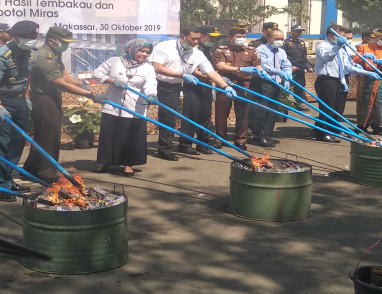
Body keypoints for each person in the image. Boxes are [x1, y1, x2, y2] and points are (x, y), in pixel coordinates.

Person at [25, 27, 102, 182]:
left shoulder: (54, 53)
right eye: (64, 42)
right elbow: (61, 83)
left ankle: (32, 167)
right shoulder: (43, 56)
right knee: (49, 136)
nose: (66, 46)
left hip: (51, 96)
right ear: (52, 40)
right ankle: (46, 171)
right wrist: (90, 94)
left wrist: (81, 85)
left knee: (44, 135)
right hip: (43, 98)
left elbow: (65, 75)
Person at [148, 26, 237, 161]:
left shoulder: (196, 53)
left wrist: (225, 86)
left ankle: (164, 149)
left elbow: (210, 72)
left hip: (174, 84)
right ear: (182, 36)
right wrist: (182, 75)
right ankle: (146, 147)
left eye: (197, 39)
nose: (195, 42)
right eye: (192, 39)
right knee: (151, 115)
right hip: (154, 82)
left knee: (170, 116)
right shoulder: (164, 47)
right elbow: (157, 67)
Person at [0, 21, 38, 202]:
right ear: (15, 38)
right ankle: (0, 184)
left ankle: (8, 177)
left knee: (17, 141)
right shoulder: (1, 55)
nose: (33, 40)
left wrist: (27, 96)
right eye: (29, 38)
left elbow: (26, 77)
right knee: (0, 144)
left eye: (34, 37)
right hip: (1, 102)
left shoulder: (30, 52)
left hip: (20, 100)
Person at [93, 39, 157, 176]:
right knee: (109, 135)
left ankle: (128, 164)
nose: (145, 54)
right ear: (132, 49)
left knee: (131, 137)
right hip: (112, 105)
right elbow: (97, 74)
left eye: (147, 52)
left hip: (134, 108)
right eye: (142, 51)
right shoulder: (114, 61)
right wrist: (112, 81)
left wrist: (151, 95)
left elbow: (150, 84)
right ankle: (105, 162)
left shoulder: (148, 68)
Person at [314, 25, 379, 143]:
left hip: (340, 80)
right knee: (328, 108)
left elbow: (347, 67)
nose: (345, 39)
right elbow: (328, 57)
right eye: (341, 36)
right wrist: (338, 45)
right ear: (330, 35)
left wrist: (366, 72)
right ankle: (322, 132)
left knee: (338, 109)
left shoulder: (342, 49)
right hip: (327, 80)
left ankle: (334, 129)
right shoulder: (323, 46)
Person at [214, 27, 263, 150]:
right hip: (225, 84)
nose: (241, 39)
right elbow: (220, 66)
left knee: (243, 113)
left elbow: (257, 64)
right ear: (230, 37)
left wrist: (261, 72)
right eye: (238, 36)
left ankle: (240, 140)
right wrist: (239, 69)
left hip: (244, 84)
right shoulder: (221, 50)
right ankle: (220, 139)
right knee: (221, 112)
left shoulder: (251, 50)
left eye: (243, 36)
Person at [177, 25, 222, 155]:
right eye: (210, 37)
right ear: (202, 36)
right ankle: (185, 144)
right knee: (191, 114)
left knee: (205, 115)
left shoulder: (210, 49)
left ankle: (203, 142)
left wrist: (216, 78)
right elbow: (194, 69)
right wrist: (213, 76)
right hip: (193, 84)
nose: (213, 40)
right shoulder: (194, 49)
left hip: (206, 84)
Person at [249, 28, 292, 147]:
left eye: (281, 39)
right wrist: (279, 72)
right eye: (276, 39)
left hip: (276, 83)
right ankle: (258, 136)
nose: (280, 41)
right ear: (268, 39)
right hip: (263, 83)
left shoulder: (281, 51)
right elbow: (264, 65)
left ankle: (267, 134)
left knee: (272, 110)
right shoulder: (260, 50)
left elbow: (287, 64)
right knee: (261, 110)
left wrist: (287, 74)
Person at [354, 28, 382, 135]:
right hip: (367, 75)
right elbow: (355, 60)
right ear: (376, 38)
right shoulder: (364, 47)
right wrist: (362, 57)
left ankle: (377, 127)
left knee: (381, 102)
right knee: (364, 100)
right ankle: (361, 126)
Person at [284, 25, 311, 111]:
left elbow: (304, 57)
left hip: (301, 68)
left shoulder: (302, 43)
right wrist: (290, 66)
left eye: (300, 31)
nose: (299, 33)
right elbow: (284, 57)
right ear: (291, 31)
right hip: (291, 68)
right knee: (288, 86)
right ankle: (285, 104)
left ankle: (297, 104)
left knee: (300, 86)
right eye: (297, 31)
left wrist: (307, 67)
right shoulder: (286, 42)